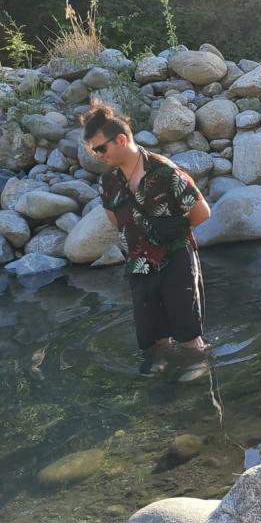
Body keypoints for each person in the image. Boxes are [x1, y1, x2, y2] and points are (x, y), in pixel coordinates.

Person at [82, 104, 211, 353]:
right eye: (93, 151)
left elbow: (202, 212)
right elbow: (114, 220)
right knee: (153, 340)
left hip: (176, 261)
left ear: (120, 139)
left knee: (189, 338)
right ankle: (163, 385)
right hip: (138, 265)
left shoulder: (165, 172)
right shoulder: (108, 182)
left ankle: (198, 385)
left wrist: (168, 233)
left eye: (100, 148)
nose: (98, 155)